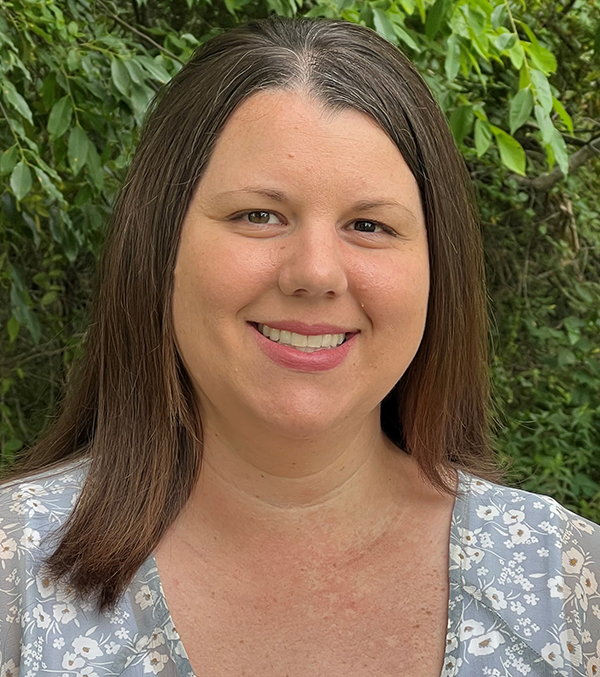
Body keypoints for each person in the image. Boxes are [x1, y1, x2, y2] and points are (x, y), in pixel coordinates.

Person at [0, 13, 598, 677]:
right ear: (160, 246)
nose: (315, 272)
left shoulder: (570, 586)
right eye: (259, 215)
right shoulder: (13, 579)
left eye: (369, 224)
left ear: (438, 269)